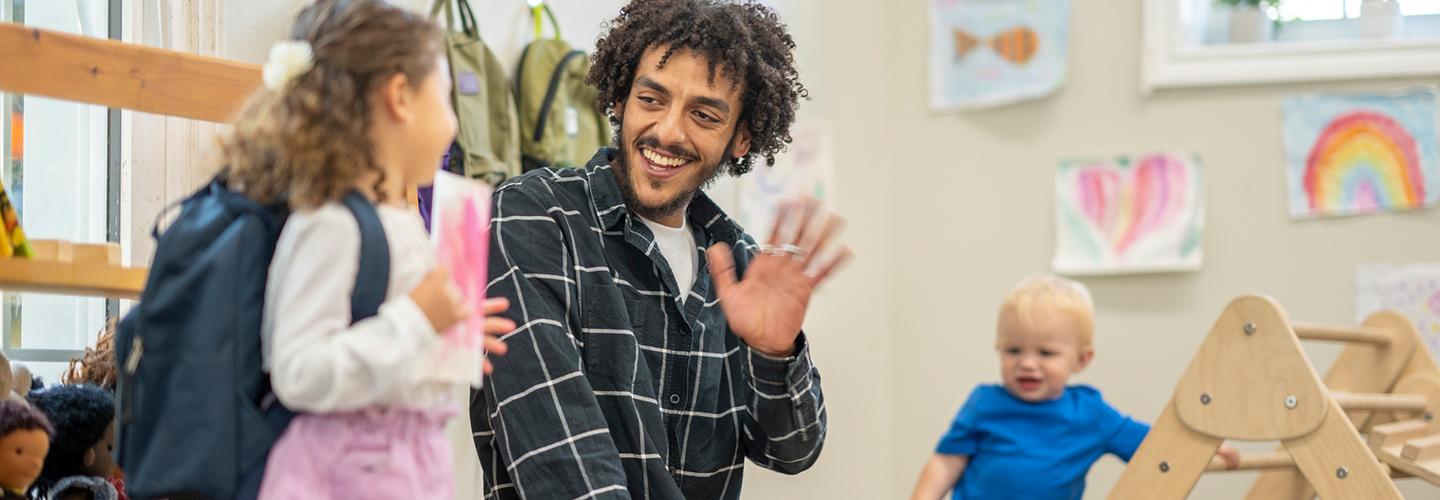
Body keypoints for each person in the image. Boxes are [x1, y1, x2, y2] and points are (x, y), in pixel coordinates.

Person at [470, 0, 851, 497]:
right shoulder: (533, 215)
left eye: (704, 115)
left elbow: (792, 450)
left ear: (741, 137)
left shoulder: (738, 263)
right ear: (620, 99)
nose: (668, 132)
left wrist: (775, 352)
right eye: (651, 99)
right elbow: (562, 464)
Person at [217, 1, 513, 497]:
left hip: (405, 471)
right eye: (444, 98)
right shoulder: (331, 223)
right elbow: (299, 371)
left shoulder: (396, 220)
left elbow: (380, 352)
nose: (454, 126)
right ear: (400, 97)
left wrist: (443, 333)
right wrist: (418, 320)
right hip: (343, 478)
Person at [909, 274, 1239, 500]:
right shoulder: (985, 404)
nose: (1026, 363)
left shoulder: (1090, 414)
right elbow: (946, 461)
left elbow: (1150, 445)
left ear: (1080, 360)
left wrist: (1200, 445)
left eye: (1046, 353)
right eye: (1013, 351)